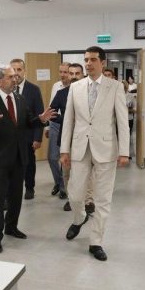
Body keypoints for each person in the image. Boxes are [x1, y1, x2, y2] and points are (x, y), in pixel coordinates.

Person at [0, 65, 57, 253]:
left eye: (16, 76)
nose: (15, 79)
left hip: (20, 155)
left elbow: (28, 122)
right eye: (11, 76)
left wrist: (41, 119)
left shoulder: (20, 98)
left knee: (15, 195)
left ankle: (11, 227)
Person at [60, 46, 129, 261]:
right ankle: (79, 218)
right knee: (75, 194)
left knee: (103, 198)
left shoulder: (115, 87)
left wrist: (124, 151)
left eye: (92, 60)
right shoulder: (76, 87)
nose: (88, 63)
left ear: (102, 62)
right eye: (86, 60)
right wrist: (64, 149)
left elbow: (122, 120)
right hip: (80, 147)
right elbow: (68, 120)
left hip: (106, 148)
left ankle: (96, 242)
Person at [50, 63, 94, 214]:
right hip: (67, 139)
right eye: (71, 73)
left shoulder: (91, 92)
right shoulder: (62, 94)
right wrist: (65, 120)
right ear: (68, 75)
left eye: (77, 73)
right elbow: (51, 113)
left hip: (86, 138)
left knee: (86, 170)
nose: (74, 76)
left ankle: (88, 201)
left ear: (83, 74)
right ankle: (72, 199)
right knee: (67, 172)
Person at [10, 58, 44, 200]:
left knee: (29, 164)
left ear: (24, 70)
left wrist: (37, 138)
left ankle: (30, 187)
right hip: (10, 137)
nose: (16, 73)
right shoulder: (6, 89)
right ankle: (11, 191)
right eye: (14, 70)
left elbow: (39, 114)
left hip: (28, 135)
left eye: (19, 69)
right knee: (11, 165)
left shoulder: (34, 89)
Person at [46, 62, 70, 199]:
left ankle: (63, 188)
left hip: (71, 126)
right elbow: (52, 109)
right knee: (52, 157)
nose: (62, 75)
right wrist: (48, 127)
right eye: (60, 72)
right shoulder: (56, 86)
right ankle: (59, 182)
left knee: (66, 157)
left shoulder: (77, 87)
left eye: (65, 72)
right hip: (56, 124)